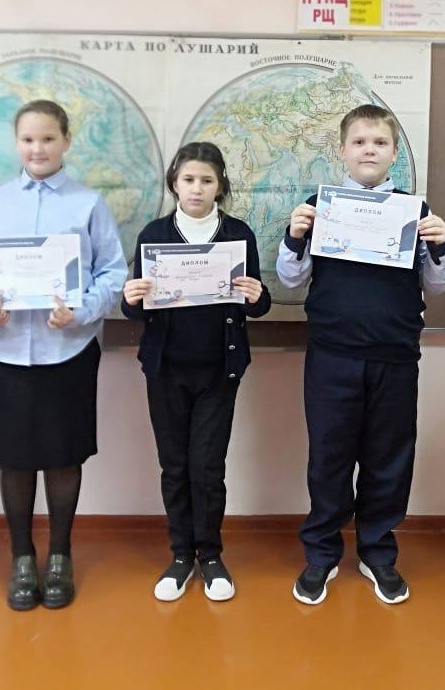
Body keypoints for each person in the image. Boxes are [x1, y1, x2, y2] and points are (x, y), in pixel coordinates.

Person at [277, 104, 445, 605]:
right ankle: (321, 552)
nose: (369, 151)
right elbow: (290, 278)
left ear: (394, 154)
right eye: (359, 142)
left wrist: (440, 244)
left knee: (388, 459)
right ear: (342, 151)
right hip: (332, 355)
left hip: (394, 356)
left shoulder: (415, 211)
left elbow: (440, 283)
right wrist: (295, 235)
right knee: (329, 457)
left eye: (379, 143)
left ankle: (377, 552)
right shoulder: (319, 206)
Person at [0, 99, 127, 611]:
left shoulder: (88, 204)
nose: (38, 148)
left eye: (48, 138)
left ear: (66, 141)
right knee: (14, 457)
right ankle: (22, 557)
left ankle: (60, 556)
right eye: (28, 139)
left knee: (62, 455)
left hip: (68, 350)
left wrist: (81, 310)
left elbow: (112, 272)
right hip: (5, 351)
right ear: (16, 143)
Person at [121, 142, 271, 601]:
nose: (197, 188)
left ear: (220, 186)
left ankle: (210, 555)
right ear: (175, 183)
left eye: (207, 180)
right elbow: (137, 311)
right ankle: (180, 554)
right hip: (166, 369)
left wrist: (257, 295)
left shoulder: (238, 234)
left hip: (219, 370)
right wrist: (131, 298)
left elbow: (257, 305)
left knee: (207, 466)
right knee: (174, 465)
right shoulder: (155, 234)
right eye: (188, 179)